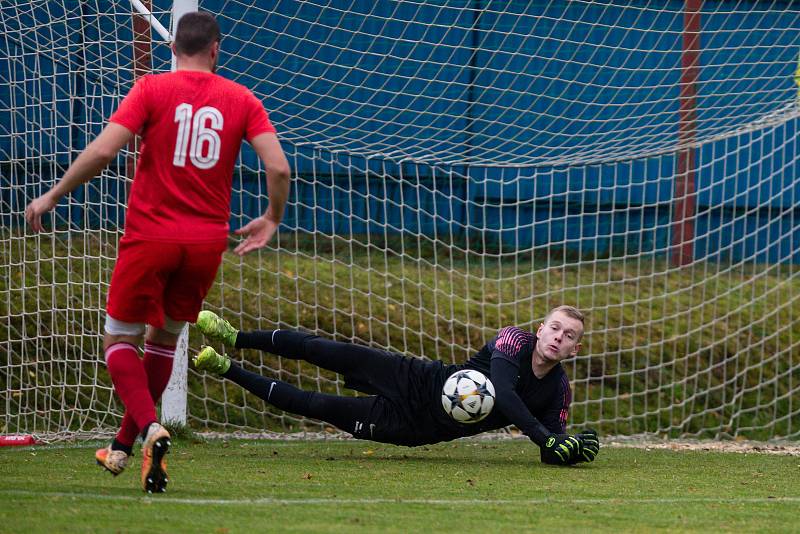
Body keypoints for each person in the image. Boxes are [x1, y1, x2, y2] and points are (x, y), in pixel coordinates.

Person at [24, 11, 291, 493]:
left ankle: (149, 428)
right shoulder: (241, 99)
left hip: (151, 237)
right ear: (216, 49)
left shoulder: (150, 90)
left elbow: (104, 153)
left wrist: (53, 194)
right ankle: (125, 446)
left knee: (118, 342)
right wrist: (271, 217)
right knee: (164, 339)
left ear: (173, 49)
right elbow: (278, 168)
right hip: (206, 244)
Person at [193, 305, 600, 465]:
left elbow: (552, 449)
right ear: (540, 327)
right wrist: (543, 436)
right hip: (416, 377)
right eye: (555, 327)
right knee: (325, 350)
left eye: (568, 336)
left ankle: (226, 368)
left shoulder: (559, 391)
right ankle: (237, 337)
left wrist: (571, 448)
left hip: (415, 428)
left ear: (573, 350)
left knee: (315, 405)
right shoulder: (513, 340)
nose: (557, 337)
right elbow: (506, 396)